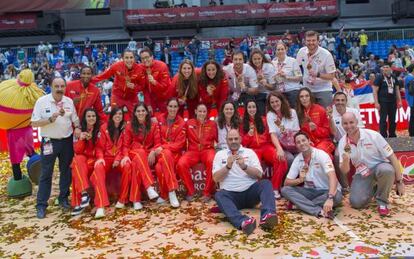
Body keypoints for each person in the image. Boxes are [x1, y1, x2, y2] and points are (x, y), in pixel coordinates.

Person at [31, 77, 81, 219]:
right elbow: (33, 123)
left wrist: (77, 128)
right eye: (56, 86)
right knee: (46, 172)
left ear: (65, 87)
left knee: (66, 171)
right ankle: (41, 205)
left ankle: (63, 199)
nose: (59, 89)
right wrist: (49, 120)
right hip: (49, 141)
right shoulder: (42, 102)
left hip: (66, 141)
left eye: (62, 86)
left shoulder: (69, 102)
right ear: (51, 87)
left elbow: (75, 121)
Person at [338, 112, 405, 216]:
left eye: (351, 122)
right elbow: (344, 171)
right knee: (356, 203)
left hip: (380, 168)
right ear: (342, 125)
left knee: (386, 170)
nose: (349, 126)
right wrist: (346, 161)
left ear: (357, 122)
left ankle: (382, 202)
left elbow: (392, 157)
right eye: (345, 123)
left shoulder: (373, 135)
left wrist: (399, 182)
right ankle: (375, 188)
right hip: (362, 173)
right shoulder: (343, 142)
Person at [213, 129, 277, 235]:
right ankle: (243, 222)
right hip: (231, 196)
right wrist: (227, 166)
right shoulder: (220, 155)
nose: (233, 141)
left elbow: (259, 175)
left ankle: (268, 215)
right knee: (219, 195)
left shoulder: (250, 152)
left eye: (236, 138)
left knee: (266, 183)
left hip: (250, 193)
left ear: (240, 139)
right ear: (226, 141)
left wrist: (244, 166)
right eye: (230, 139)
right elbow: (216, 178)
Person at [281, 131, 342, 219]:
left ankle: (300, 205)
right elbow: (286, 183)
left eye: (303, 140)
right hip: (310, 191)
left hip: (328, 191)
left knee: (337, 197)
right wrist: (300, 180)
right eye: (298, 142)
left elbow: (333, 177)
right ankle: (317, 210)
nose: (301, 143)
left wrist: (330, 198)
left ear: (309, 141)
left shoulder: (321, 155)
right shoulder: (298, 159)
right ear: (296, 145)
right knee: (285, 190)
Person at [240, 100, 288, 199]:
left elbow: (278, 133)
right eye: (249, 107)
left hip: (266, 146)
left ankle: (275, 188)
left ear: (257, 108)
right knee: (252, 166)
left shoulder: (265, 119)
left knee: (281, 159)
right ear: (246, 109)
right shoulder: (242, 122)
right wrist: (249, 135)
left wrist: (281, 127)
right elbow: (242, 143)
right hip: (252, 149)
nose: (252, 109)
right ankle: (256, 192)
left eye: (254, 107)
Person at [70, 108, 109, 218]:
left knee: (79, 167)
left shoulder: (100, 130)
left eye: (93, 116)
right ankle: (84, 193)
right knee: (76, 161)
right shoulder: (79, 130)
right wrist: (81, 139)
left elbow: (100, 148)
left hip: (95, 158)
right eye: (89, 116)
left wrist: (100, 157)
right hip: (84, 158)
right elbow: (77, 151)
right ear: (85, 118)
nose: (91, 118)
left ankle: (96, 204)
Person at [176, 103, 217, 202]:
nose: (202, 114)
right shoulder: (189, 123)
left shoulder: (212, 124)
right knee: (181, 164)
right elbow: (181, 134)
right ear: (195, 111)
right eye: (200, 111)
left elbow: (218, 139)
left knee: (212, 161)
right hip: (192, 151)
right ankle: (191, 191)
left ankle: (207, 193)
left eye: (204, 111)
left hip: (207, 150)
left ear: (207, 113)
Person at [122, 104, 161, 209]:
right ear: (134, 113)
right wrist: (125, 156)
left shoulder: (153, 125)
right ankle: (149, 186)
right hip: (132, 152)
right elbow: (125, 146)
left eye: (143, 110)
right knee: (140, 153)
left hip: (146, 154)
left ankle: (135, 200)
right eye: (138, 111)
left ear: (147, 112)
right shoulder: (129, 126)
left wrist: (153, 151)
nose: (141, 113)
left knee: (136, 165)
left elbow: (158, 143)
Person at [94, 107, 133, 210]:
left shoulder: (124, 128)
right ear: (111, 116)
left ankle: (122, 199)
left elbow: (125, 146)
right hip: (106, 158)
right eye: (116, 114)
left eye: (120, 114)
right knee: (98, 167)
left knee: (127, 166)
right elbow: (99, 147)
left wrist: (119, 158)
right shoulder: (104, 128)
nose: (118, 116)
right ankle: (101, 203)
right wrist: (100, 158)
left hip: (118, 158)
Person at [92, 49, 143, 119]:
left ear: (134, 58)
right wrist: (90, 80)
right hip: (117, 96)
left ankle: (135, 129)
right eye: (126, 58)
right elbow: (104, 75)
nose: (129, 60)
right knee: (115, 117)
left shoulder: (139, 69)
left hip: (132, 97)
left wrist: (135, 87)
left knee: (137, 117)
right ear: (122, 58)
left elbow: (142, 86)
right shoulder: (116, 66)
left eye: (131, 57)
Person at [154, 98, 186, 207]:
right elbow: (156, 138)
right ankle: (172, 191)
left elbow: (179, 144)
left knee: (159, 168)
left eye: (175, 106)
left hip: (175, 154)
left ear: (178, 108)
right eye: (170, 106)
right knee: (165, 154)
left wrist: (163, 147)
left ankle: (164, 195)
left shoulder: (181, 122)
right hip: (161, 152)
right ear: (167, 107)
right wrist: (160, 148)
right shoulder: (159, 119)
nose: (172, 109)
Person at [296, 31, 336, 108]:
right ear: (304, 41)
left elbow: (332, 76)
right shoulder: (301, 52)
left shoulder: (326, 54)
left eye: (313, 40)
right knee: (308, 115)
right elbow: (297, 67)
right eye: (308, 40)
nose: (311, 43)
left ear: (318, 41)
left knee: (326, 114)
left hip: (323, 88)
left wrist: (318, 74)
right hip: (307, 89)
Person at [296, 88, 335, 158]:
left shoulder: (320, 110)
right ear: (299, 99)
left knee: (319, 154)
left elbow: (328, 132)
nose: (304, 98)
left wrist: (316, 129)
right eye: (301, 97)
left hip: (324, 142)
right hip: (308, 143)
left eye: (307, 96)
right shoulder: (298, 113)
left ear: (310, 97)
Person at [266, 91, 300, 166]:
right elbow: (273, 134)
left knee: (299, 157)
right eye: (272, 102)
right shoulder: (270, 115)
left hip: (294, 144)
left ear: (281, 100)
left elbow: (297, 131)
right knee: (290, 159)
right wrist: (279, 148)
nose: (275, 104)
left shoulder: (292, 112)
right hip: (282, 146)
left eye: (277, 101)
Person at [372, 64, 402, 138]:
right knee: (383, 119)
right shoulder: (379, 77)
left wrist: (400, 101)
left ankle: (392, 134)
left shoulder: (394, 77)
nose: (385, 68)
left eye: (387, 67)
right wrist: (376, 103)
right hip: (383, 102)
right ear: (382, 69)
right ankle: (383, 135)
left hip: (393, 101)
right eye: (384, 67)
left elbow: (397, 90)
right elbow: (375, 91)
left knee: (393, 119)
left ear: (390, 69)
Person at [139, 48, 172, 114]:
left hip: (164, 97)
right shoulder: (140, 68)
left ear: (152, 57)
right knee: (149, 117)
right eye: (142, 58)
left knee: (167, 118)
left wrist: (154, 82)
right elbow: (144, 89)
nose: (145, 60)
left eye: (147, 57)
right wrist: (148, 104)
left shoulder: (162, 66)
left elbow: (165, 86)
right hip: (151, 98)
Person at [272, 41, 302, 108]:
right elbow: (271, 80)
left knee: (294, 112)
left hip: (292, 90)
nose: (280, 51)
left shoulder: (293, 61)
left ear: (286, 49)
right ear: (275, 51)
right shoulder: (273, 63)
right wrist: (274, 77)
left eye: (282, 49)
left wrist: (287, 77)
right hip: (279, 92)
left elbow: (300, 77)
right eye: (278, 49)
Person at [249, 49, 276, 116]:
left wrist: (265, 83)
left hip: (270, 93)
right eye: (254, 59)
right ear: (251, 60)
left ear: (262, 58)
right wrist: (257, 81)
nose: (257, 61)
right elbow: (251, 89)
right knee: (260, 111)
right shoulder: (249, 68)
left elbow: (273, 87)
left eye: (259, 58)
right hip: (258, 94)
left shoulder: (269, 67)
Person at [405, 64, 414, 136]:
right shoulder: (410, 78)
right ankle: (412, 132)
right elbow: (411, 90)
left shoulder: (408, 77)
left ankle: (411, 132)